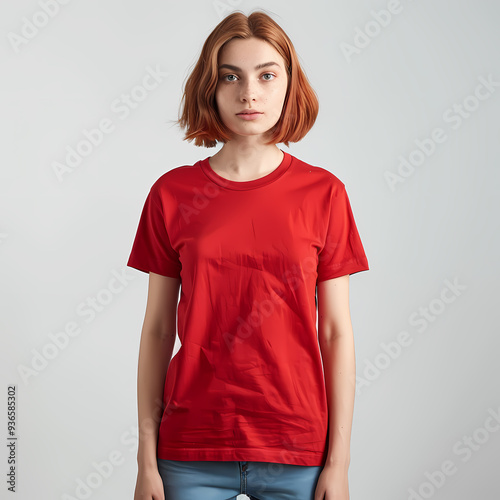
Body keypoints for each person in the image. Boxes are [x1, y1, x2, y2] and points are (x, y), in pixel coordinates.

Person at [127, 9, 369, 500]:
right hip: (189, 450)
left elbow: (336, 333)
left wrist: (339, 464)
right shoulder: (172, 194)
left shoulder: (324, 194)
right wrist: (145, 458)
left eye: (266, 75)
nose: (249, 93)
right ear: (210, 88)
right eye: (230, 76)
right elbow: (157, 329)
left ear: (288, 84)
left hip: (297, 449)